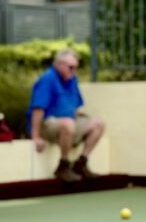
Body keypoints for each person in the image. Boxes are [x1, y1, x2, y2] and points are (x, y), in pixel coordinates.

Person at [27, 47, 106, 183]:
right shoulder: (47, 79)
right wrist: (36, 136)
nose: (74, 71)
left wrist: (80, 119)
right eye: (71, 67)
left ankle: (81, 163)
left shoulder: (71, 79)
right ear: (59, 64)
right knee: (68, 124)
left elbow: (75, 106)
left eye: (76, 67)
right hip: (48, 124)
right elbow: (38, 109)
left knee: (98, 123)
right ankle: (63, 165)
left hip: (69, 123)